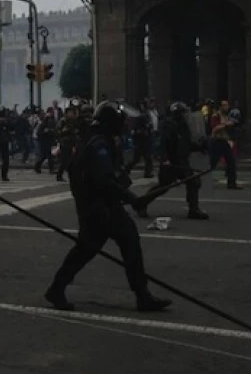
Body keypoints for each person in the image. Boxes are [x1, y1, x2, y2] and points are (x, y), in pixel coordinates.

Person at [45, 101, 171, 313]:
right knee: (92, 248)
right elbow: (104, 180)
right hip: (99, 208)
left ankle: (142, 295)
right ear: (109, 123)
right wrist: (131, 198)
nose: (122, 127)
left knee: (103, 246)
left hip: (100, 206)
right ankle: (142, 296)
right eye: (119, 123)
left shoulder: (96, 139)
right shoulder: (98, 144)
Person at [157, 102, 209, 220]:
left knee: (193, 182)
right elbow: (163, 144)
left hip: (182, 161)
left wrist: (200, 147)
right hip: (172, 163)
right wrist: (165, 159)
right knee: (162, 187)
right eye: (183, 113)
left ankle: (193, 209)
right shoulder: (169, 126)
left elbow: (186, 144)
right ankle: (141, 204)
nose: (186, 115)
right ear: (177, 114)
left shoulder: (184, 126)